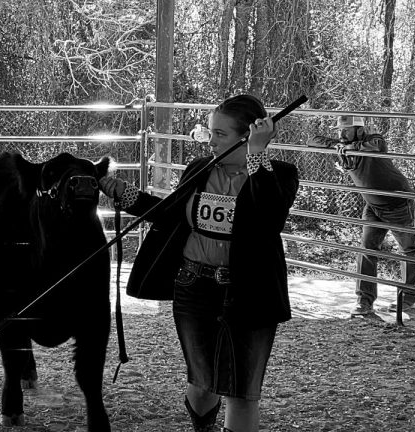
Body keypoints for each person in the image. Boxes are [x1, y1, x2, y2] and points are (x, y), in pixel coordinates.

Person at [100, 95, 299, 432]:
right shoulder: (200, 169)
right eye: (210, 133)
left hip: (249, 292)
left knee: (243, 391)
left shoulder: (277, 174)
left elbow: (269, 217)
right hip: (194, 287)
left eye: (220, 134)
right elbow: (169, 213)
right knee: (202, 384)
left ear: (248, 134)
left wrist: (258, 155)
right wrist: (121, 192)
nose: (211, 141)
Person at [306, 115, 415, 317]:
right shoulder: (343, 145)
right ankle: (364, 301)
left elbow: (376, 146)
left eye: (346, 130)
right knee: (367, 249)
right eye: (339, 131)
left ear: (359, 130)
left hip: (398, 203)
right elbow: (311, 140)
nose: (341, 134)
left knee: (409, 249)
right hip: (373, 206)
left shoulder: (374, 140)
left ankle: (408, 298)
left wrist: (351, 146)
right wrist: (337, 144)